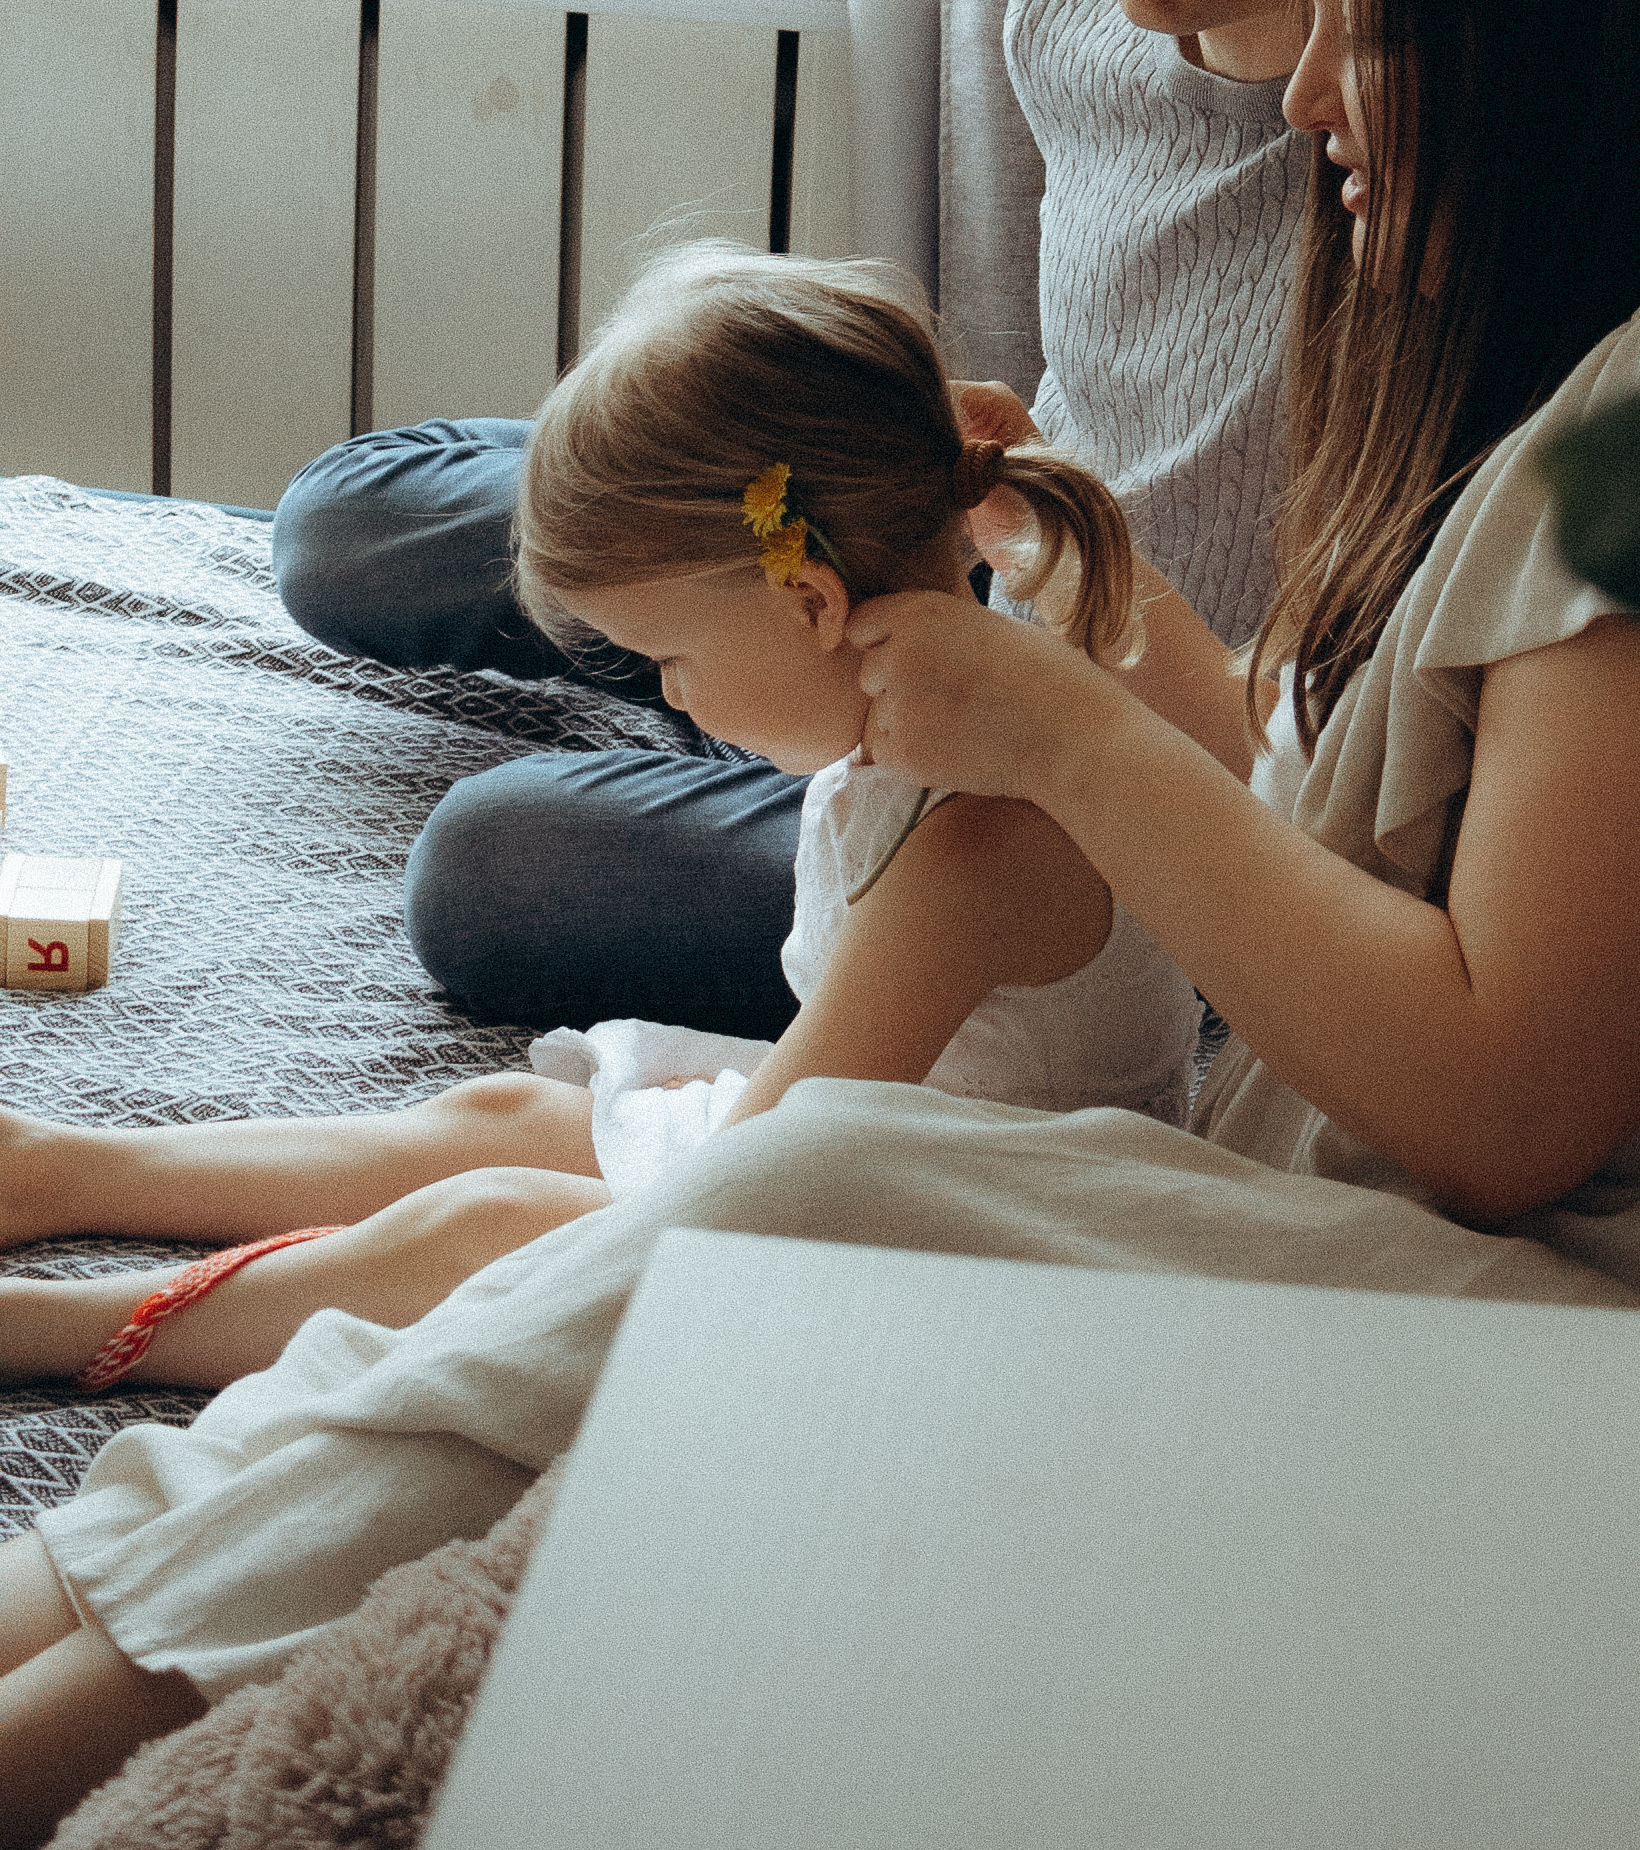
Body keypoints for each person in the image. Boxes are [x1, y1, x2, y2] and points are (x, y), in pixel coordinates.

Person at [0, 0, 1640, 1850]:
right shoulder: (1587, 398)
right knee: (688, 1195)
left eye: (1360, 16)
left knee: (794, 1191)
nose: (1301, 93)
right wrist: (1081, 619)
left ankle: (77, 1658)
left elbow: (1505, 1096)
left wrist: (1059, 732)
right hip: (1585, 1288)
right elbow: (1324, 833)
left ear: (1551, 31)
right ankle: (84, 1598)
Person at [271, 0, 1452, 1040]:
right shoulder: (1068, 19)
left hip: (1067, 725)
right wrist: (951, 463)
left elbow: (1294, 761)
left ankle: (749, 707)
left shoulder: (1413, 176)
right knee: (346, 519)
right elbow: (1139, 386)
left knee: (492, 865)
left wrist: (991, 641)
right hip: (963, 533)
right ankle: (737, 684)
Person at [0, 252, 1198, 1408]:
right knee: (500, 1120)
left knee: (480, 1230)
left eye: (671, 660)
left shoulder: (973, 845)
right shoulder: (915, 751)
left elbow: (759, 1180)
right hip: (883, 1155)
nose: (667, 697)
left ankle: (70, 1324)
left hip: (978, 1250)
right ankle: (60, 1167)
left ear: (811, 602)